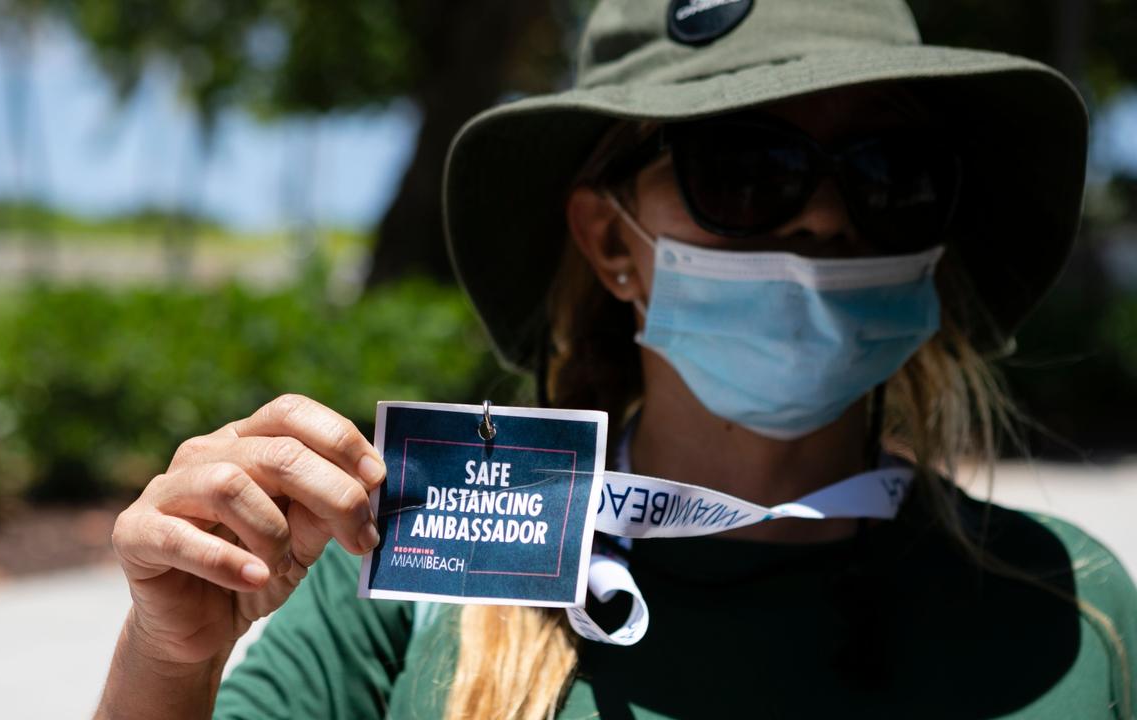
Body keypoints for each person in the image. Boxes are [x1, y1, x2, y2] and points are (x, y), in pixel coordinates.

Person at [95, 1, 1137, 718]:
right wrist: (169, 662)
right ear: (607, 242)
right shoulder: (406, 580)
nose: (824, 215)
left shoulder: (1069, 609)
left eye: (891, 172)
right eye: (748, 163)